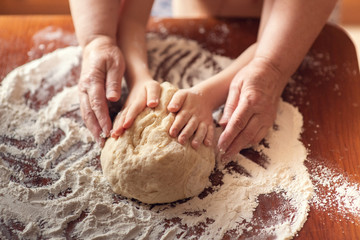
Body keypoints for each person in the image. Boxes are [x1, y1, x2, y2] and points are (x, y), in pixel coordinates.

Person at [69, 0, 337, 162]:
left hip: (297, 21)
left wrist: (270, 69)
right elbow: (132, 17)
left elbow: (271, 44)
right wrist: (133, 72)